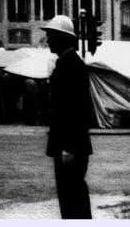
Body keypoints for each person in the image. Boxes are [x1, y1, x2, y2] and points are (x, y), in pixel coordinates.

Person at [41, 15, 92, 219]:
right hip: (68, 144)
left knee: (72, 196)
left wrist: (68, 147)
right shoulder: (67, 63)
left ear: (63, 39)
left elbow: (74, 109)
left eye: (51, 36)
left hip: (70, 145)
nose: (48, 41)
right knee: (71, 195)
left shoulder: (71, 66)